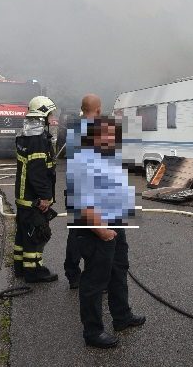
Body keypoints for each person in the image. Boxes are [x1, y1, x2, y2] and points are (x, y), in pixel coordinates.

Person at [67, 116, 144, 348]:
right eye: (105, 134)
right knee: (94, 281)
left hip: (115, 225)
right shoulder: (83, 161)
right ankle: (92, 332)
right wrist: (100, 230)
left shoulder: (109, 158)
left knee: (119, 271)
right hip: (95, 229)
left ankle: (122, 317)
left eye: (113, 134)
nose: (111, 138)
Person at [13, 95, 59, 283]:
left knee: (23, 234)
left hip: (23, 197)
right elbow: (38, 173)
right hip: (34, 200)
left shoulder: (25, 136)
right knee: (36, 235)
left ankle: (20, 267)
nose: (51, 118)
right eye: (50, 114)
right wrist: (45, 197)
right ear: (42, 115)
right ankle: (33, 271)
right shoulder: (38, 140)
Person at [63, 94, 102, 289]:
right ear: (99, 109)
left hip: (75, 192)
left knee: (77, 235)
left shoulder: (74, 130)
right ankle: (88, 277)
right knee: (88, 236)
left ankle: (74, 275)